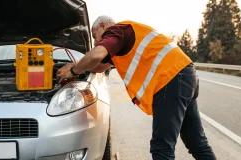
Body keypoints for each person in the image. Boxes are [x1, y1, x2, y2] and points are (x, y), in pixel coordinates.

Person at [56, 15, 217, 160]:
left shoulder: (117, 31)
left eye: (94, 35)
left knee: (162, 148)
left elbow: (97, 54)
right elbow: (99, 66)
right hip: (186, 75)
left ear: (104, 26)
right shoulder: (122, 43)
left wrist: (72, 71)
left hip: (170, 78)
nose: (96, 41)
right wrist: (77, 67)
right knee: (197, 143)